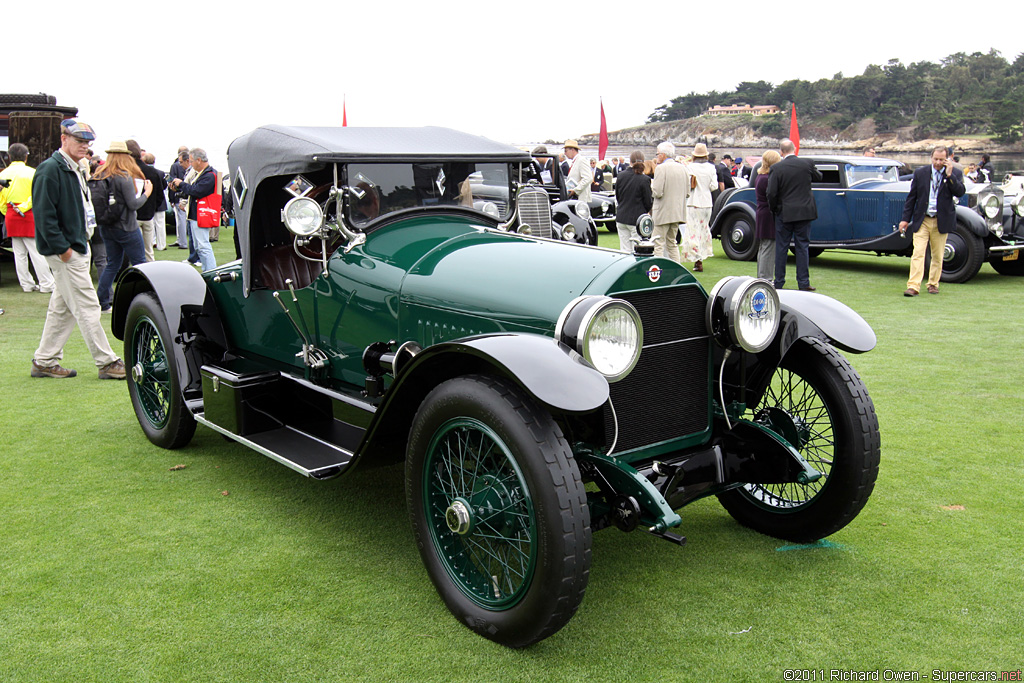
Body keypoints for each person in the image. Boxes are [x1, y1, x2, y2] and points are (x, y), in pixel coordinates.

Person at [30, 120, 126, 380]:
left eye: (87, 142)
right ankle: (106, 362)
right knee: (87, 306)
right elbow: (44, 215)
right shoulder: (50, 170)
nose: (85, 146)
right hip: (67, 251)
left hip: (76, 247)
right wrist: (64, 250)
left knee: (61, 310)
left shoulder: (73, 168)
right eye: (79, 141)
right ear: (64, 139)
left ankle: (44, 360)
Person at [92, 141, 153, 312]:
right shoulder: (123, 177)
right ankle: (146, 297)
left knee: (112, 264)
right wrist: (146, 194)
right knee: (140, 263)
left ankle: (103, 301)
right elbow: (133, 204)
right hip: (126, 227)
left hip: (106, 226)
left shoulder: (100, 174)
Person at [898, 146, 965, 296]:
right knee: (918, 253)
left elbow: (960, 192)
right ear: (931, 157)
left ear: (947, 159)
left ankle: (933, 283)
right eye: (936, 159)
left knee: (938, 255)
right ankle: (913, 286)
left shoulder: (955, 173)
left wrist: (949, 176)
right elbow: (912, 198)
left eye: (941, 160)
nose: (938, 162)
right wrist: (905, 219)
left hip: (941, 220)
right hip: (923, 219)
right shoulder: (921, 173)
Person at [767, 138, 822, 291]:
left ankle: (779, 281)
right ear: (795, 148)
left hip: (784, 212)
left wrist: (774, 208)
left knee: (782, 247)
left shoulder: (777, 168)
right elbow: (819, 177)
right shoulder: (807, 164)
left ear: (781, 152)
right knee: (802, 247)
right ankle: (803, 282)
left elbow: (771, 192)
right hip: (804, 211)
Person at [1, 143, 55, 293]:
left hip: (11, 214)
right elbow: (37, 194)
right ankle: (46, 284)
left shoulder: (3, 174)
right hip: (29, 213)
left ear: (10, 157)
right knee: (36, 252)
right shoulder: (32, 172)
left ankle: (27, 284)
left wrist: (8, 211)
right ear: (26, 157)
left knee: (19, 254)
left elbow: (1, 200)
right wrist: (24, 207)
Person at [170, 147, 218, 271]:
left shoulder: (210, 175)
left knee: (203, 246)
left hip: (201, 215)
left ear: (198, 160)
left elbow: (196, 191)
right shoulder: (203, 174)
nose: (190, 164)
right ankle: (207, 270)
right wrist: (180, 189)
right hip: (195, 214)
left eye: (191, 161)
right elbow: (193, 191)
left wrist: (181, 184)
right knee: (199, 246)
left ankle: (211, 271)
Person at [650, 141, 689, 264]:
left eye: (657, 154)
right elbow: (688, 192)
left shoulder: (661, 168)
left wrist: (651, 186)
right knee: (672, 242)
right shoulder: (683, 168)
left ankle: (657, 270)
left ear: (662, 155)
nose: (657, 157)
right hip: (677, 212)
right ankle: (677, 269)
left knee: (658, 243)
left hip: (662, 212)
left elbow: (657, 192)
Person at [126, 140, 164, 261]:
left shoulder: (128, 172)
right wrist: (152, 208)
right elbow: (160, 196)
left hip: (133, 215)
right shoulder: (154, 172)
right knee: (149, 250)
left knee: (132, 249)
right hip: (148, 215)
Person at [682, 143, 716, 271]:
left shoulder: (690, 167)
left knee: (693, 231)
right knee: (704, 230)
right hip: (707, 202)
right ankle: (700, 257)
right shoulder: (711, 168)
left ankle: (697, 258)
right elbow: (714, 186)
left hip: (693, 201)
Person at [614, 150, 652, 252]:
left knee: (625, 250)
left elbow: (618, 196)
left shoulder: (621, 175)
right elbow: (648, 202)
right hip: (637, 218)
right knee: (637, 250)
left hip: (622, 216)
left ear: (630, 161)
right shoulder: (644, 179)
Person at [754, 149, 782, 281]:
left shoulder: (761, 176)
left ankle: (762, 275)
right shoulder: (767, 179)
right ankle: (766, 277)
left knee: (764, 246)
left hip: (762, 213)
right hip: (768, 214)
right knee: (768, 246)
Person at [168, 148, 190, 250]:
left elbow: (171, 182)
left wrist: (171, 198)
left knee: (180, 220)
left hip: (180, 197)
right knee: (184, 221)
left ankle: (182, 242)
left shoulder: (174, 166)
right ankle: (182, 240)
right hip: (188, 197)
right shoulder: (191, 169)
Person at [146, 152, 169, 250]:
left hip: (148, 201)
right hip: (160, 201)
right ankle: (161, 245)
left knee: (150, 225)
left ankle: (151, 243)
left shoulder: (143, 172)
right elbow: (164, 186)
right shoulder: (160, 173)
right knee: (160, 225)